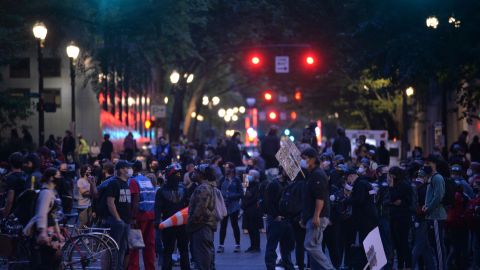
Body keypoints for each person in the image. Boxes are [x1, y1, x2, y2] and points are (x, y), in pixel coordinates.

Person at [300, 147, 335, 270]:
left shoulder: (318, 174)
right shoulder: (310, 174)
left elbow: (320, 198)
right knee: (316, 246)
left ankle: (329, 268)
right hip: (312, 216)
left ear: (313, 159)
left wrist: (316, 216)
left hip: (318, 216)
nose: (303, 161)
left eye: (305, 158)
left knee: (310, 245)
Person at [22, 167, 64, 270]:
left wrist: (58, 234)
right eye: (57, 175)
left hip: (50, 232)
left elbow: (53, 215)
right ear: (50, 177)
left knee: (53, 260)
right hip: (46, 233)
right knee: (47, 262)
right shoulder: (46, 193)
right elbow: (41, 213)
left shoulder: (50, 192)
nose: (60, 177)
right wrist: (42, 232)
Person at [154, 163, 190, 270]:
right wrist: (157, 221)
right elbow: (157, 208)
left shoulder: (182, 189)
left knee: (179, 250)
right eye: (176, 173)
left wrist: (157, 221)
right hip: (171, 223)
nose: (178, 176)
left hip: (177, 223)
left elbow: (188, 206)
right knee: (172, 250)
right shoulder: (162, 191)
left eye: (178, 173)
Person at [187, 164, 217, 270]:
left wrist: (190, 224)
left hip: (201, 227)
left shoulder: (203, 188)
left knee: (202, 261)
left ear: (201, 175)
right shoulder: (206, 187)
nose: (193, 174)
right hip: (203, 227)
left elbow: (199, 210)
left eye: (196, 172)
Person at [128, 161, 156, 270]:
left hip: (140, 216)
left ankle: (134, 268)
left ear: (133, 169)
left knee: (135, 245)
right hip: (151, 215)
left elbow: (135, 200)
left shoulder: (133, 181)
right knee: (149, 245)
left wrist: (133, 218)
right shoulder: (147, 180)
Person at [105, 160, 132, 270]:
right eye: (127, 167)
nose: (129, 169)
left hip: (126, 222)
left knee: (123, 249)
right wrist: (118, 219)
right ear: (121, 169)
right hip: (117, 222)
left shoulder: (126, 183)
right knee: (115, 250)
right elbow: (110, 202)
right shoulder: (114, 183)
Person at [422, 155, 447, 270]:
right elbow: (431, 196)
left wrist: (428, 208)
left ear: (434, 164)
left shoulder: (437, 178)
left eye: (428, 164)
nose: (425, 166)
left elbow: (438, 196)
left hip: (437, 216)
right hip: (431, 215)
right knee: (434, 245)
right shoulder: (431, 177)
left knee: (438, 246)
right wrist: (425, 206)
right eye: (425, 164)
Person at [388, 166, 413, 269]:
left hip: (401, 218)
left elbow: (394, 198)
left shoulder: (401, 185)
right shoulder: (402, 184)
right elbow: (394, 200)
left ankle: (405, 265)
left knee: (402, 243)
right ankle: (402, 265)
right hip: (397, 217)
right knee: (400, 244)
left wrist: (391, 186)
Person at [217, 162, 242, 253]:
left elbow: (241, 193)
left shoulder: (237, 180)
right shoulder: (222, 179)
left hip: (234, 206)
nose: (225, 169)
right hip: (224, 206)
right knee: (223, 225)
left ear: (232, 169)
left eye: (227, 168)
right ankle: (221, 245)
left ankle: (237, 245)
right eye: (225, 168)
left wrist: (230, 196)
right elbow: (218, 190)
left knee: (234, 225)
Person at [241, 169, 261, 253]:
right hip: (247, 209)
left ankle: (256, 246)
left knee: (254, 229)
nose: (248, 175)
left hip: (253, 209)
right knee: (249, 228)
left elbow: (254, 198)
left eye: (250, 174)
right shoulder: (247, 183)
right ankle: (252, 245)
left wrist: (246, 203)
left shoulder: (257, 185)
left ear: (255, 177)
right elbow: (243, 193)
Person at [2, 152, 26, 218]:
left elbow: (10, 200)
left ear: (11, 163)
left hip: (11, 213)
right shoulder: (25, 175)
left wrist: (5, 217)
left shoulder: (11, 178)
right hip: (20, 212)